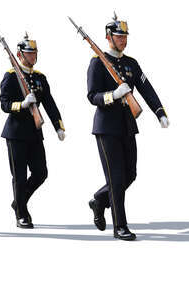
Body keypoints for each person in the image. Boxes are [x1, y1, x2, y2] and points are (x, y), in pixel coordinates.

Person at [87, 14, 169, 240]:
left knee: (130, 175)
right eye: (118, 36)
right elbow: (92, 96)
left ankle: (100, 200)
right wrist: (113, 95)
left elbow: (146, 88)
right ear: (108, 37)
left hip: (127, 126)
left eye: (124, 36)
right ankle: (119, 226)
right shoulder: (97, 62)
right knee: (115, 177)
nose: (123, 40)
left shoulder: (131, 64)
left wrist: (159, 112)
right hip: (106, 127)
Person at [0, 33, 65, 228]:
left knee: (41, 173)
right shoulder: (11, 76)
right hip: (16, 133)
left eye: (34, 53)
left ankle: (18, 201)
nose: (33, 56)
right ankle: (22, 213)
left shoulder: (39, 78)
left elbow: (50, 104)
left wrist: (58, 126)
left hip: (35, 132)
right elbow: (4, 104)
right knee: (19, 176)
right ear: (20, 55)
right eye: (29, 53)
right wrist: (22, 104)